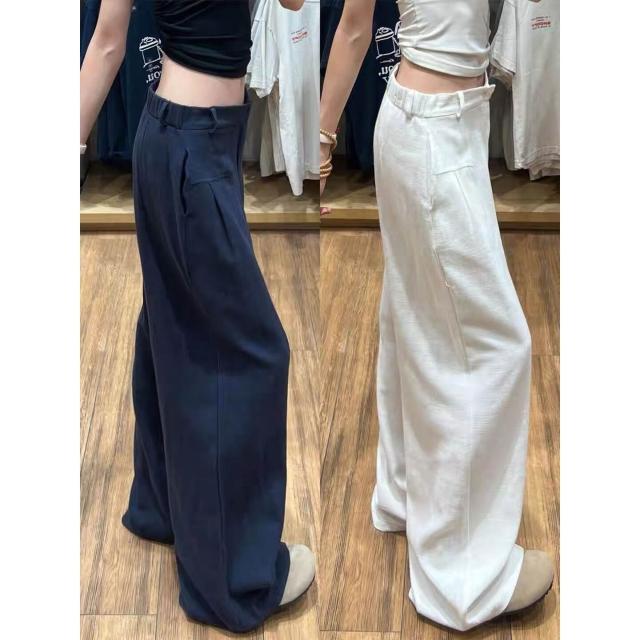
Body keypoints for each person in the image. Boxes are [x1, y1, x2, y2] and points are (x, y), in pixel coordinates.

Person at [80, 0, 314, 632]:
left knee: (171, 326)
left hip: (172, 137)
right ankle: (231, 578)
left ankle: (161, 508)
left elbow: (108, 42)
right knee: (254, 351)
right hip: (195, 149)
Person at [320, 0, 553, 631]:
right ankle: (465, 580)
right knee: (497, 343)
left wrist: (322, 133)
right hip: (434, 131)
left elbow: (355, 25)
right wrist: (320, 134)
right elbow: (352, 25)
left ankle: (405, 495)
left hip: (425, 121)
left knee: (413, 316)